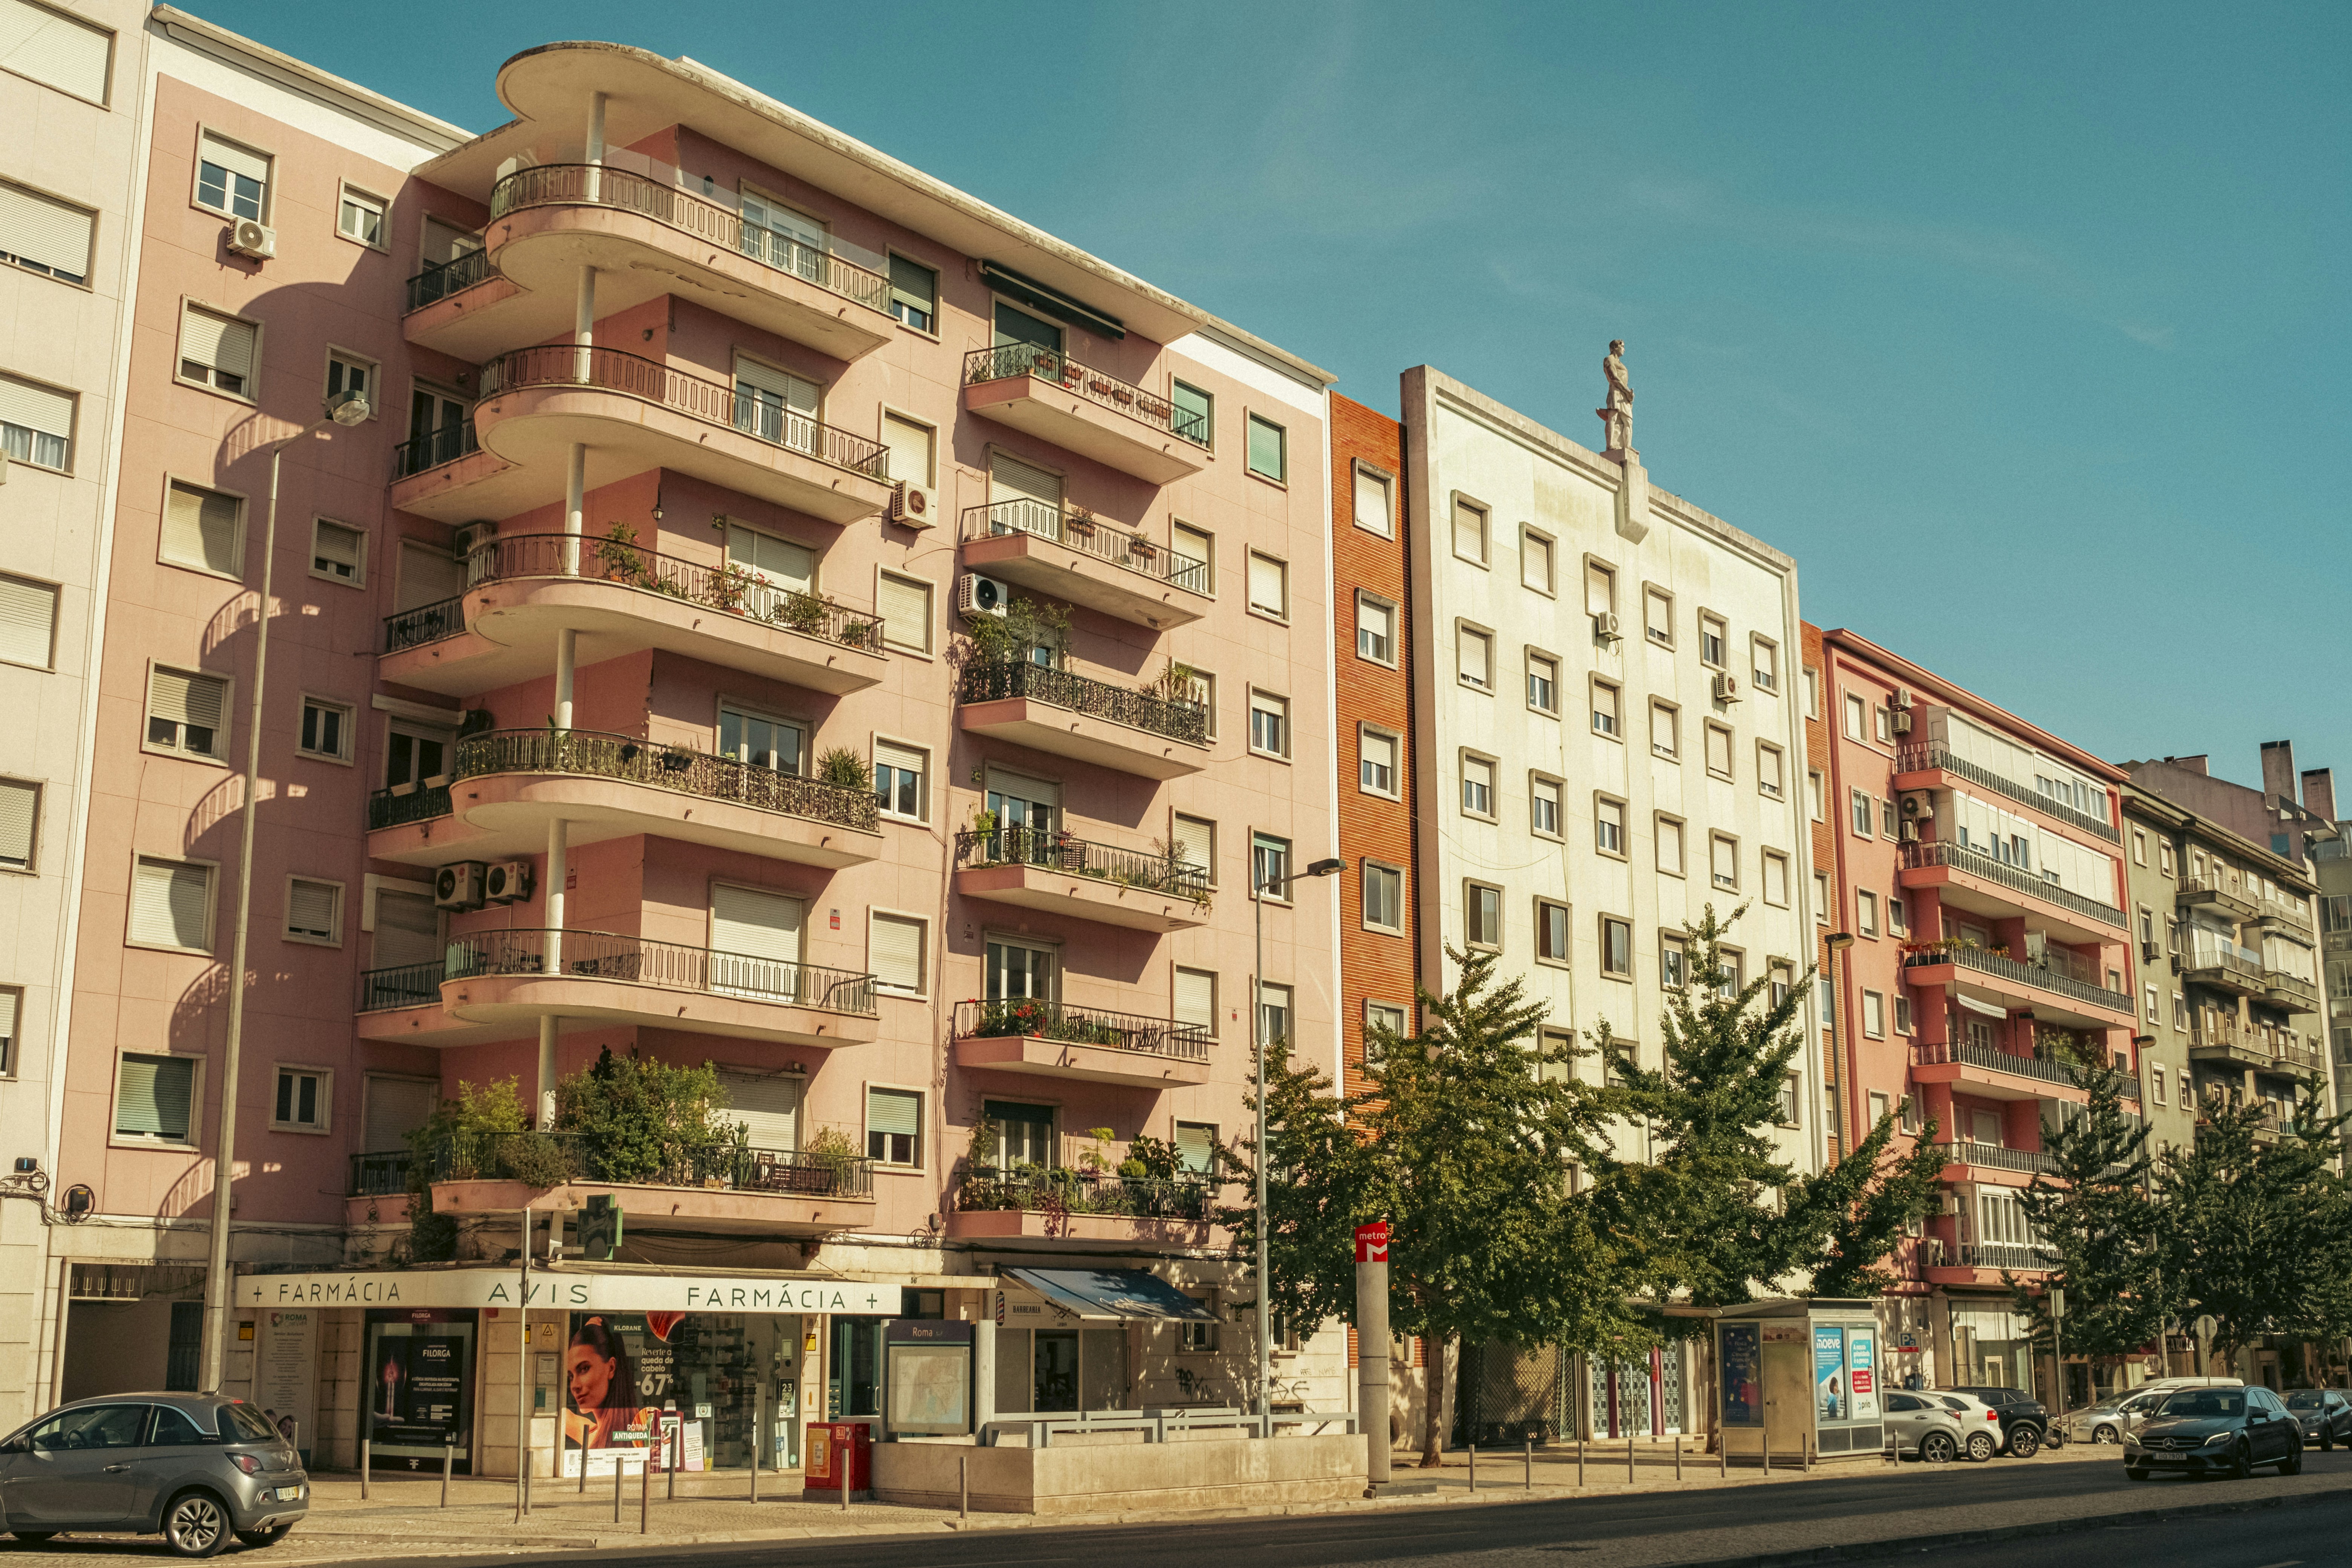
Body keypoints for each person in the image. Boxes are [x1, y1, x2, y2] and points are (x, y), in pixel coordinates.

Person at [565, 1317, 640, 1456]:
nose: (574, 1386)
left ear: (611, 1368)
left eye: (584, 1369)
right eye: (571, 1376)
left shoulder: (589, 1433)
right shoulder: (637, 1431)